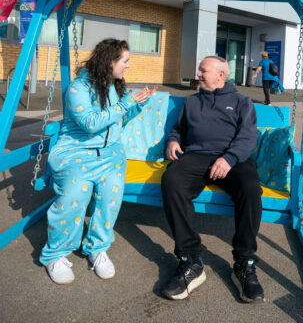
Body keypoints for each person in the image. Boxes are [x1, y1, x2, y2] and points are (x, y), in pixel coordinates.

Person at [40, 38, 156, 284]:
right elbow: (92, 124)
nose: (127, 66)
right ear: (110, 61)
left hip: (110, 154)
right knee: (73, 198)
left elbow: (117, 121)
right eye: (125, 61)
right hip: (76, 153)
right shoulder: (78, 88)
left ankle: (97, 248)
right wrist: (126, 104)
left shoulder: (113, 86)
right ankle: (55, 254)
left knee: (109, 201)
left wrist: (136, 106)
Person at [161, 56, 264, 303]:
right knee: (172, 181)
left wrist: (228, 158)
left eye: (203, 70)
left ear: (220, 75)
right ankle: (190, 259)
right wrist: (173, 140)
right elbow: (179, 129)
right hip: (196, 156)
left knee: (251, 189)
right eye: (199, 69)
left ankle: (244, 262)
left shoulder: (242, 101)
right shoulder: (192, 102)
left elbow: (248, 137)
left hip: (232, 159)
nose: (198, 74)